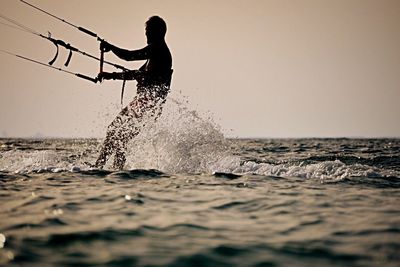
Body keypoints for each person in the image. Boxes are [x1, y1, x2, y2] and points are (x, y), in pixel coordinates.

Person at [94, 16, 173, 170]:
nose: (146, 35)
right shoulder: (155, 54)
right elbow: (136, 74)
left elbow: (129, 56)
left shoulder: (157, 49)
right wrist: (110, 75)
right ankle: (116, 169)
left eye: (148, 31)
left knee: (114, 131)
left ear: (158, 32)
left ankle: (99, 166)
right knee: (120, 136)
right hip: (148, 104)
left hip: (147, 102)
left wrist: (110, 47)